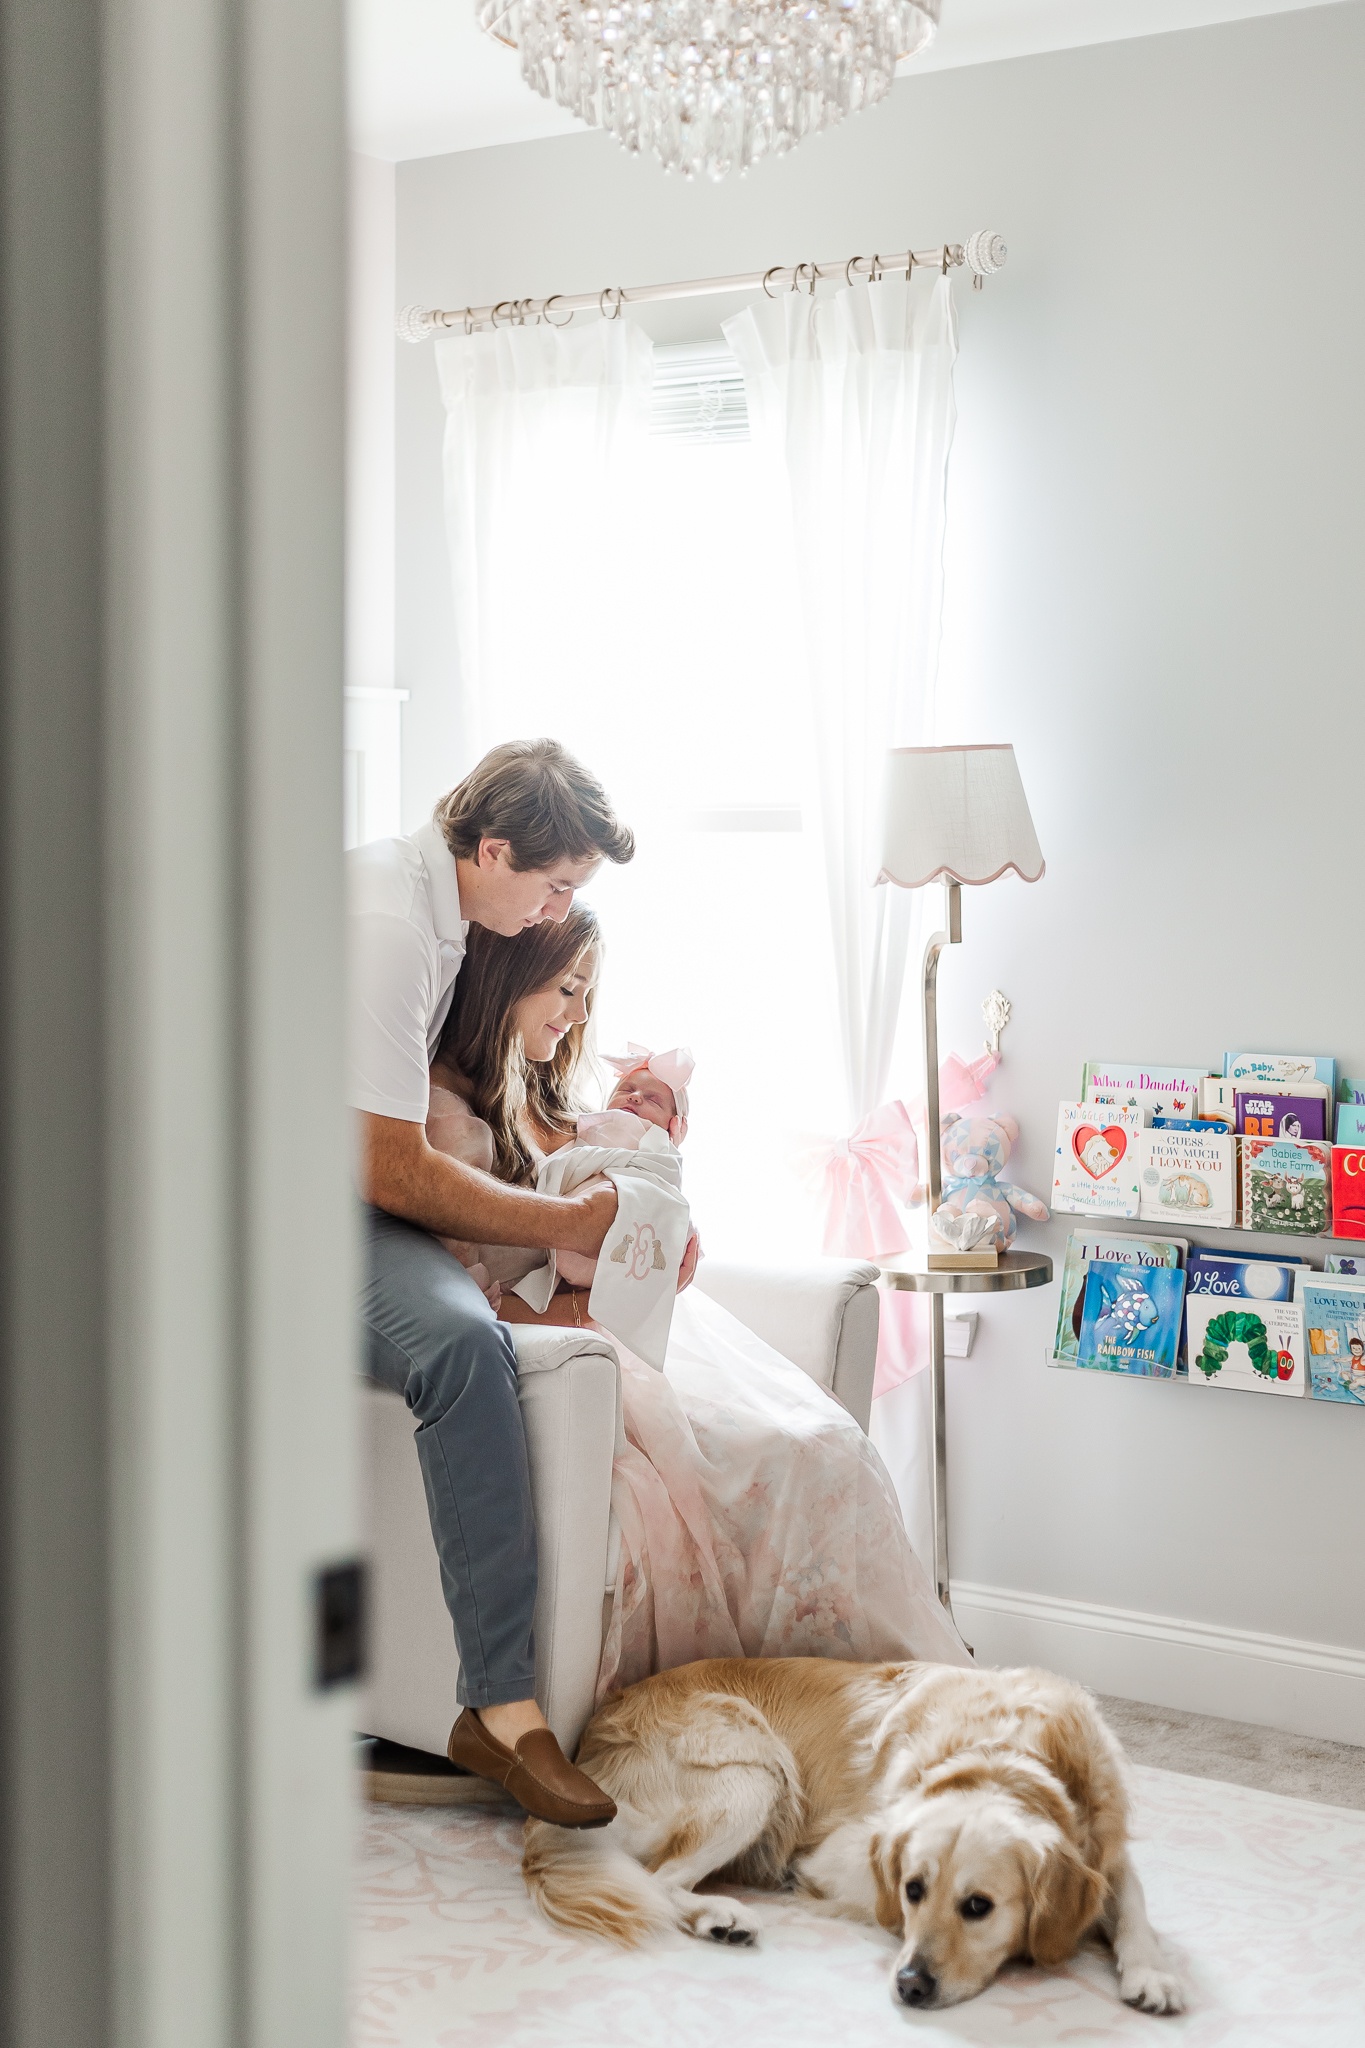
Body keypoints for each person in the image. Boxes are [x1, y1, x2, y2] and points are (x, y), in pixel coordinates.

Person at [428, 907, 972, 1741]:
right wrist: (603, 1268)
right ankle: (806, 1709)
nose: (577, 1014)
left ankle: (872, 1703)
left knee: (823, 1446)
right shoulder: (447, 1121)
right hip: (566, 1348)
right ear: (504, 981)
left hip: (638, 1330)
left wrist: (664, 1228)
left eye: (586, 993)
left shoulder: (555, 1096)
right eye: (564, 989)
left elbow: (635, 1191)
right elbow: (485, 1285)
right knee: (750, 1471)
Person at [352, 739, 697, 1829]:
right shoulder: (391, 926)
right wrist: (568, 1221)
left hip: (359, 1198)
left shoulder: (454, 921)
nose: (558, 911)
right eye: (554, 884)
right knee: (461, 1349)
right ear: (490, 847)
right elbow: (392, 1170)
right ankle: (503, 1710)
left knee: (474, 1334)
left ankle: (496, 1708)